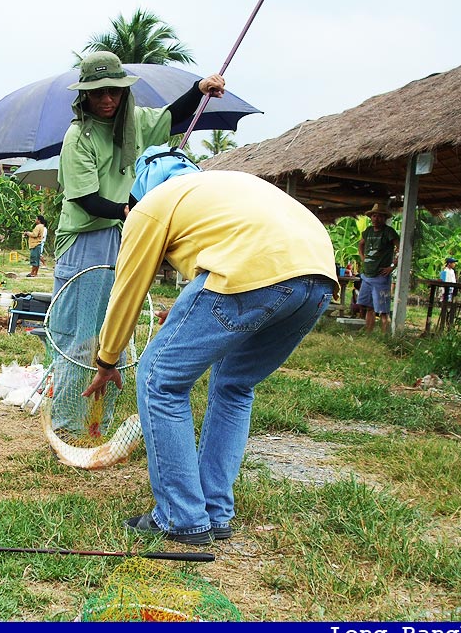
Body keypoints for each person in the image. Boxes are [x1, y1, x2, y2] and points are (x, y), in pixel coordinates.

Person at [81, 155, 337, 545]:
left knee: (158, 379)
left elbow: (128, 291)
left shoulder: (147, 208)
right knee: (235, 385)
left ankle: (181, 518)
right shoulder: (223, 186)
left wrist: (107, 360)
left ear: (136, 193)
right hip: (319, 278)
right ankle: (215, 513)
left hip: (250, 269)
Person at [50, 50, 225, 434]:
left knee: (114, 330)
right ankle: (66, 422)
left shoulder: (132, 123)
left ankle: (98, 422)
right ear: (86, 97)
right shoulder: (78, 136)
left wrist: (199, 89)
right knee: (80, 336)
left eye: (114, 91)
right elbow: (85, 197)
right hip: (85, 237)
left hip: (121, 233)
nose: (108, 100)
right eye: (99, 94)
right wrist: (131, 210)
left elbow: (170, 117)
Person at [357, 202, 400, 334]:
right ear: (371, 217)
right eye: (374, 216)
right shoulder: (368, 231)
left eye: (380, 216)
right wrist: (363, 258)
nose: (376, 219)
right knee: (369, 307)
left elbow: (400, 248)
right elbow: (361, 245)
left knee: (383, 310)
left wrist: (392, 266)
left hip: (380, 277)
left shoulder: (388, 232)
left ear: (385, 218)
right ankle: (368, 333)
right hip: (367, 275)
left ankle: (384, 336)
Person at [439, 256, 458, 326]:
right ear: (449, 263)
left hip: (452, 289)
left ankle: (448, 320)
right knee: (445, 305)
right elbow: (442, 281)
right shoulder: (444, 271)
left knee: (450, 305)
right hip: (445, 290)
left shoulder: (452, 271)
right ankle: (443, 319)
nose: (454, 264)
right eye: (453, 263)